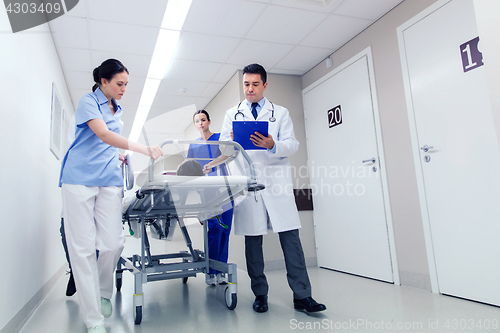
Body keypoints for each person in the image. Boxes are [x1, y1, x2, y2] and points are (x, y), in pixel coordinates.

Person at [59, 59, 163, 333]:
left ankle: (103, 291)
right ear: (103, 81)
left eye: (127, 84)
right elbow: (102, 134)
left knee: (113, 243)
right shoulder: (88, 102)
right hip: (79, 178)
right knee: (81, 250)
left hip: (108, 178)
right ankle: (93, 320)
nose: (124, 89)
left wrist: (118, 155)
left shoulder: (116, 108)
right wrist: (143, 149)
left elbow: (106, 142)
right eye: (120, 83)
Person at [214, 63, 326, 313]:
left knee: (291, 240)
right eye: (246, 84)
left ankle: (302, 296)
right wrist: (230, 140)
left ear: (264, 85)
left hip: (276, 183)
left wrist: (272, 143)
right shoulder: (233, 113)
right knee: (253, 243)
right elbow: (223, 149)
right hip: (249, 184)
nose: (250, 89)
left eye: (255, 84)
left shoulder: (281, 113)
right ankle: (260, 294)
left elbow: (292, 144)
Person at [187, 110, 233, 286]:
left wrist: (212, 164)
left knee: (225, 230)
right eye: (197, 120)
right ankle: (210, 270)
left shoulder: (221, 137)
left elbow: (229, 154)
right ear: (195, 124)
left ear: (209, 121)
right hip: (207, 192)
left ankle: (221, 271)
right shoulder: (193, 145)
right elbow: (190, 167)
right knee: (214, 229)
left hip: (226, 189)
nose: (200, 123)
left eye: (203, 119)